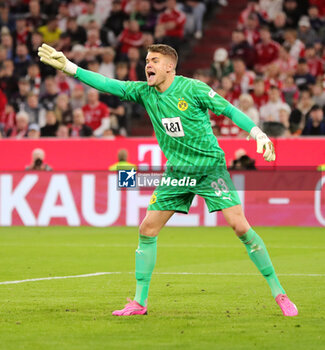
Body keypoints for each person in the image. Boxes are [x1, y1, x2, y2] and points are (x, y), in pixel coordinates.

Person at [38, 43, 298, 317]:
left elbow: (229, 110)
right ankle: (139, 302)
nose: (147, 65)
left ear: (169, 67)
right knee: (147, 229)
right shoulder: (144, 92)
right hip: (177, 173)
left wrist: (257, 132)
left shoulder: (193, 89)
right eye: (147, 60)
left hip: (209, 169)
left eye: (154, 60)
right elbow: (108, 83)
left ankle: (279, 292)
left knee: (240, 227)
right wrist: (70, 68)